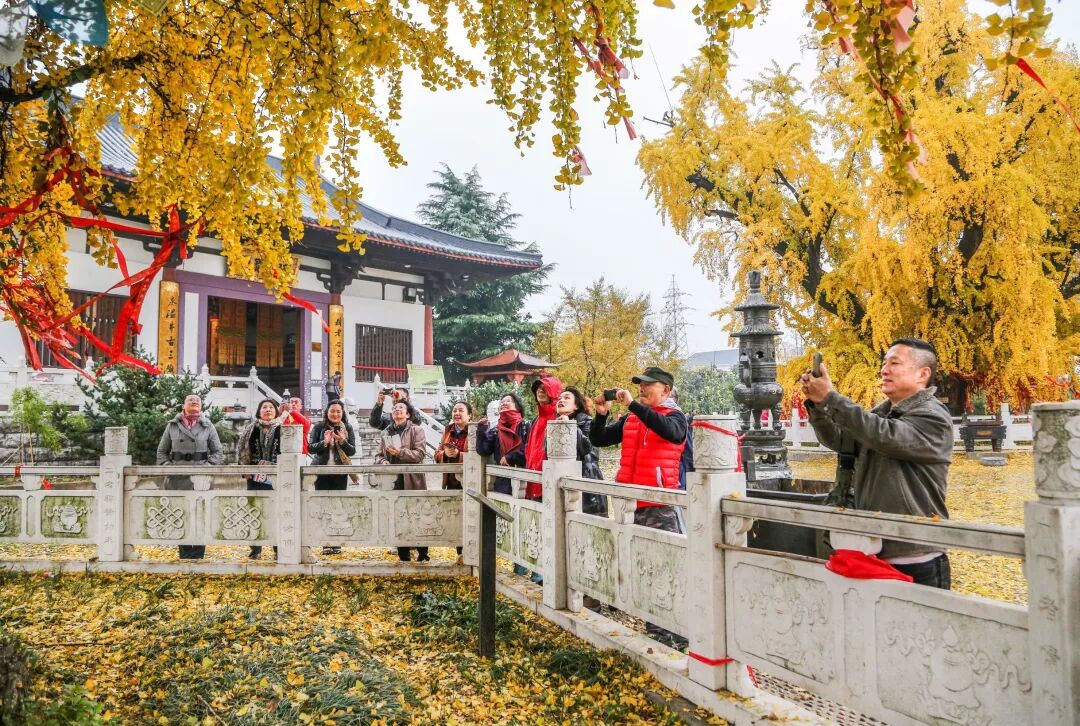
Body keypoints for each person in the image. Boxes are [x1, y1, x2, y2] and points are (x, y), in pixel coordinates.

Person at [801, 339, 954, 589]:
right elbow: (841, 440)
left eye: (895, 363)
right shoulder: (882, 413)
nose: (884, 370)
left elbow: (884, 436)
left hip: (916, 556)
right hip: (871, 550)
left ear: (922, 374)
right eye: (884, 363)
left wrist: (831, 398)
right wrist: (818, 406)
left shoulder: (933, 417)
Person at [590, 366, 689, 650]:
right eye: (641, 385)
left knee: (667, 567)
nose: (643, 389)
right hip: (631, 503)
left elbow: (669, 432)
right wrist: (600, 414)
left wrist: (633, 404)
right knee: (644, 567)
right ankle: (656, 631)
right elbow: (600, 440)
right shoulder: (632, 419)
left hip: (660, 503)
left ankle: (681, 634)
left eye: (649, 385)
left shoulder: (675, 417)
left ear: (666, 390)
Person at [156, 393, 224, 560]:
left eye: (197, 401)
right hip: (177, 477)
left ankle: (199, 553)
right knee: (181, 515)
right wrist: (169, 468)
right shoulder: (172, 426)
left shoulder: (208, 426)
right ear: (183, 406)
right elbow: (161, 452)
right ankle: (184, 553)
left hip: (201, 478)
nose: (194, 401)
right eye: (190, 400)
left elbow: (218, 453)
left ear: (201, 407)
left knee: (200, 516)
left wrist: (206, 469)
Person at [375, 400, 429, 562]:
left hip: (412, 479)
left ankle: (423, 552)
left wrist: (400, 453)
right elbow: (379, 455)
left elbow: (419, 454)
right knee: (397, 515)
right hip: (393, 479)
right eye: (394, 408)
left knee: (417, 514)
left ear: (408, 414)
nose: (397, 410)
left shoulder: (417, 430)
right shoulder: (386, 432)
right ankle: (403, 554)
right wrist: (384, 462)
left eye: (401, 408)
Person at [308, 399, 357, 555]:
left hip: (339, 472)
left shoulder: (347, 428)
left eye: (338, 411)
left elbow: (352, 451)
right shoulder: (318, 427)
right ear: (327, 412)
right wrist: (325, 442)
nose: (335, 414)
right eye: (332, 411)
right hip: (321, 472)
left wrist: (342, 441)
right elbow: (310, 447)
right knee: (323, 507)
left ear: (342, 413)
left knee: (338, 507)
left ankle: (336, 542)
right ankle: (325, 543)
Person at [237, 398, 283, 560]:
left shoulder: (283, 428)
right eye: (264, 407)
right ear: (259, 411)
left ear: (276, 411)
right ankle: (255, 548)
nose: (268, 410)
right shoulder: (251, 428)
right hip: (255, 476)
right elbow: (242, 449)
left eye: (271, 407)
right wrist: (245, 470)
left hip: (277, 476)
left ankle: (278, 546)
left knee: (277, 512)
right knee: (255, 511)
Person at [556, 386, 608, 517]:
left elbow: (587, 448)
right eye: (559, 398)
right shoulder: (556, 423)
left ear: (577, 405)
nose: (561, 400)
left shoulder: (587, 421)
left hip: (588, 485)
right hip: (565, 482)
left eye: (566, 398)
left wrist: (569, 427)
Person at [435, 401, 471, 563]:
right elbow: (436, 454)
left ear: (469, 415)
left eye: (461, 410)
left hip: (468, 482)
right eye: (455, 410)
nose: (457, 413)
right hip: (451, 480)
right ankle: (459, 552)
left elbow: (477, 457)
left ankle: (468, 551)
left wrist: (458, 454)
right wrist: (445, 454)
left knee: (468, 516)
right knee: (454, 516)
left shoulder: (474, 431)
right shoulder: (448, 431)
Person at [476, 392, 528, 495]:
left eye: (508, 401)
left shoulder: (525, 426)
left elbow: (529, 450)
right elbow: (484, 451)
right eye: (502, 402)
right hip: (502, 481)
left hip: (524, 480)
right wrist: (481, 430)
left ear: (517, 407)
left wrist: (511, 457)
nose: (504, 403)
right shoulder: (496, 430)